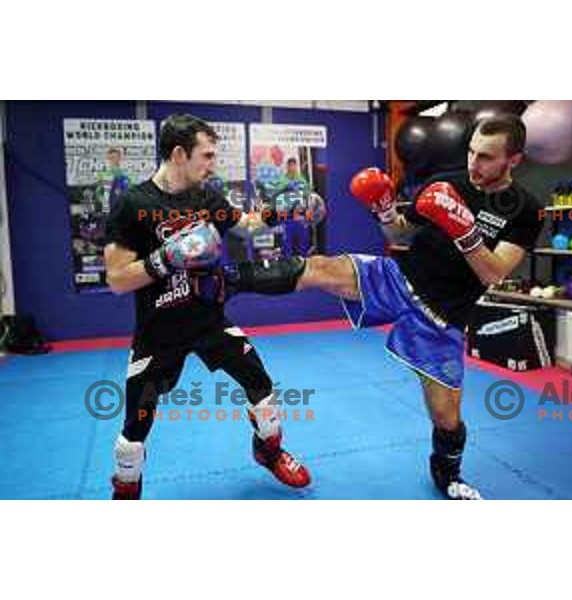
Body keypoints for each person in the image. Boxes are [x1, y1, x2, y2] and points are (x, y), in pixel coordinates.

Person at [210, 114, 543, 500]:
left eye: (486, 157)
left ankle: (449, 475)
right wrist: (384, 210)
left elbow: (494, 273)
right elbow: (398, 232)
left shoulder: (525, 210)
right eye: (471, 152)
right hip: (398, 278)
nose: (474, 164)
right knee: (321, 267)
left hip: (442, 317)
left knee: (446, 417)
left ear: (513, 161)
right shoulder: (448, 182)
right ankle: (225, 280)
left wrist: (464, 230)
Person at [104, 114, 311, 500]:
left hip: (209, 320)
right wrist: (166, 259)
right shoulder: (133, 204)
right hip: (158, 332)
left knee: (261, 387)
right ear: (179, 153)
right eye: (207, 155)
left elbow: (245, 224)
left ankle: (269, 452)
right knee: (135, 430)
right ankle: (126, 490)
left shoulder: (207, 196)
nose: (213, 163)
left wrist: (281, 210)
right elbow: (116, 279)